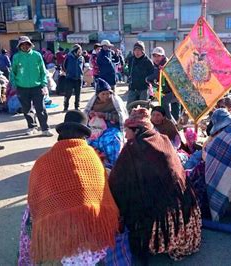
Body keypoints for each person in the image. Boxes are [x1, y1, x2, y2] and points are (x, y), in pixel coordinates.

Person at [20, 110, 120, 264]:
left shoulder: (44, 160)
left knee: (29, 215)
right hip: (91, 226)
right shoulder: (92, 156)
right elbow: (103, 191)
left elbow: (35, 197)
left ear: (61, 134)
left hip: (58, 226)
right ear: (84, 135)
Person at [108, 107, 201, 261]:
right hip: (182, 208)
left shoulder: (133, 148)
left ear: (137, 131)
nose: (125, 135)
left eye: (127, 131)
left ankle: (155, 242)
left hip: (160, 212)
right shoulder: (162, 138)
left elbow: (117, 180)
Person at [10, 36, 53, 137]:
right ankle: (32, 127)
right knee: (26, 108)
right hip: (22, 87)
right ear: (19, 46)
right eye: (22, 45)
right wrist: (14, 84)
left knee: (40, 108)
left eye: (27, 44)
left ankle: (45, 128)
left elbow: (43, 71)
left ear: (30, 45)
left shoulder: (37, 55)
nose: (25, 46)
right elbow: (13, 72)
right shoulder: (16, 57)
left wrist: (44, 84)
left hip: (37, 86)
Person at [84, 78, 128, 167]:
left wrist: (105, 115)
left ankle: (114, 165)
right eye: (103, 94)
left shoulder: (115, 102)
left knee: (112, 141)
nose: (106, 96)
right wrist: (91, 115)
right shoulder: (93, 103)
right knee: (89, 143)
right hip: (96, 128)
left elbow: (121, 118)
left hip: (112, 128)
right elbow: (85, 116)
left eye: (108, 93)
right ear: (97, 95)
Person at [147, 47, 179, 122]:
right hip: (167, 91)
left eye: (159, 56)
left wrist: (148, 78)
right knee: (170, 107)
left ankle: (170, 121)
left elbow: (157, 75)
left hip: (175, 91)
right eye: (154, 56)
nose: (156, 58)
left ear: (163, 56)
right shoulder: (156, 66)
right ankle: (174, 123)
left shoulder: (166, 64)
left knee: (164, 101)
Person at [63, 44, 84, 111]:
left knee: (78, 93)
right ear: (75, 50)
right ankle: (66, 106)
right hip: (70, 78)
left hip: (79, 78)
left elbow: (82, 67)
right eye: (79, 50)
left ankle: (77, 106)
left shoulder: (81, 58)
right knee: (68, 93)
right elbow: (64, 66)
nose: (80, 51)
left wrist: (81, 73)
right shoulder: (68, 57)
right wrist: (68, 73)